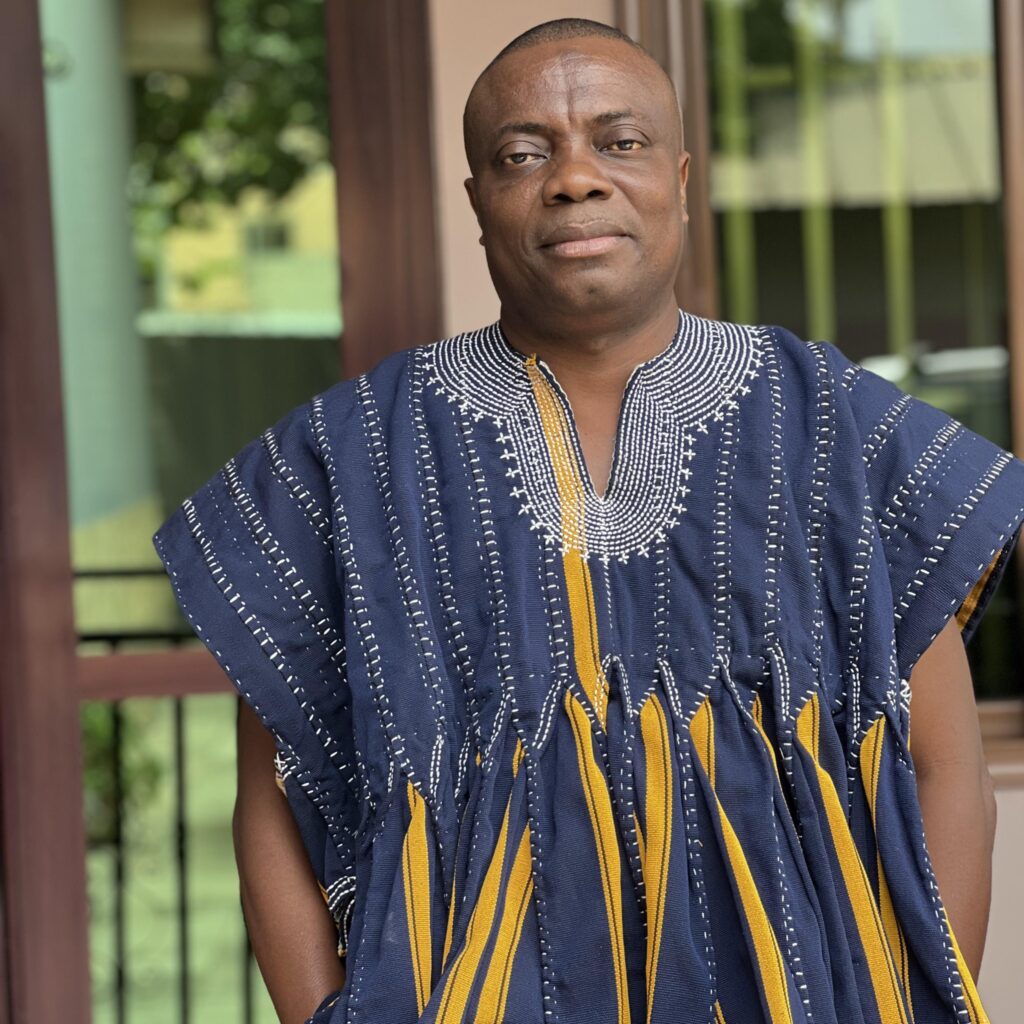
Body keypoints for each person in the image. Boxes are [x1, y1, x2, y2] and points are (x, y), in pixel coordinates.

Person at [153, 17, 1022, 1024]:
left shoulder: (834, 424)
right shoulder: (349, 455)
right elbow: (268, 800)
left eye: (620, 141)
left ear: (680, 180)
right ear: (478, 201)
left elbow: (947, 767)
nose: (574, 179)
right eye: (523, 155)